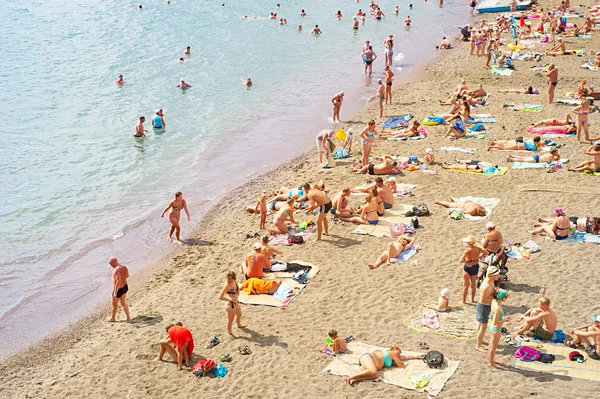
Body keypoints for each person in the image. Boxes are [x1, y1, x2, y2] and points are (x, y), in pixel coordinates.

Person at [346, 346, 421, 385]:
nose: (398, 355)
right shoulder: (391, 353)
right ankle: (351, 377)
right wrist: (398, 360)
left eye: (399, 354)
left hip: (368, 363)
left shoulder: (391, 356)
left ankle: (355, 379)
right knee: (374, 372)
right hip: (368, 357)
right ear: (393, 350)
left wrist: (415, 356)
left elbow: (404, 357)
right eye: (397, 353)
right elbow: (401, 365)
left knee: (375, 376)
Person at [476, 266, 501, 352]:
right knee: (483, 326)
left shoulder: (491, 281)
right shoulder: (486, 285)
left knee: (480, 325)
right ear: (492, 275)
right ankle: (478, 345)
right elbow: (483, 299)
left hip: (485, 306)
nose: (499, 276)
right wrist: (493, 301)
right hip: (483, 306)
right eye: (497, 274)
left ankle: (480, 340)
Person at [460, 235, 489, 304]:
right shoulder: (478, 249)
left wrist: (466, 262)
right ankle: (472, 300)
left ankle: (463, 301)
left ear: (469, 243)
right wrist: (479, 257)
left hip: (468, 267)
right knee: (473, 285)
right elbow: (487, 253)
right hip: (475, 266)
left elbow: (461, 260)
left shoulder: (467, 251)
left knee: (466, 286)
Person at [219, 271, 247, 335]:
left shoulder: (235, 282)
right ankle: (230, 332)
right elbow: (220, 297)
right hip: (230, 304)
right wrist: (230, 299)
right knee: (231, 319)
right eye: (227, 278)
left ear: (233, 278)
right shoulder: (227, 285)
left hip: (235, 302)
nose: (228, 280)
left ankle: (239, 325)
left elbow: (238, 288)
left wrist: (237, 294)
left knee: (239, 314)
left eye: (230, 279)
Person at [488, 289, 510, 368]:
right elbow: (495, 322)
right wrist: (504, 320)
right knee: (493, 347)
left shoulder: (494, 301)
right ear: (502, 297)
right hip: (496, 328)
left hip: (492, 326)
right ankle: (491, 363)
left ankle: (491, 360)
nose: (506, 299)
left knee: (491, 345)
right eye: (506, 297)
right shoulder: (498, 308)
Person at [106, 257, 131, 322]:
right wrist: (123, 279)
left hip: (118, 289)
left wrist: (115, 292)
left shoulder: (117, 270)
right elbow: (127, 275)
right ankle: (128, 317)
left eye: (110, 263)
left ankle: (113, 318)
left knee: (114, 304)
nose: (110, 265)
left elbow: (118, 281)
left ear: (112, 263)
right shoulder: (124, 267)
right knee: (123, 302)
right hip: (125, 286)